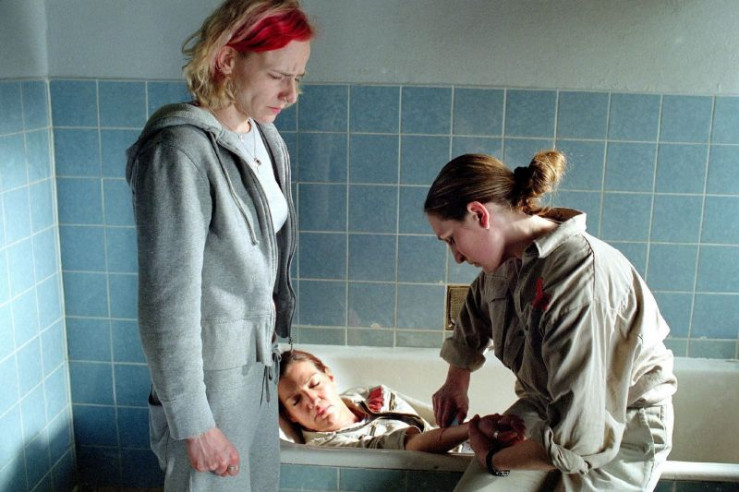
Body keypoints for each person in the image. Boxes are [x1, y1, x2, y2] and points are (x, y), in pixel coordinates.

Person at [125, 1, 313, 490]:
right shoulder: (179, 152)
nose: (291, 94)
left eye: (298, 78)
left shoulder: (264, 137)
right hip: (211, 384)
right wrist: (194, 423)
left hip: (257, 369)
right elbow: (167, 300)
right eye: (279, 76)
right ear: (228, 59)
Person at [424, 151, 677, 491]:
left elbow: (581, 441)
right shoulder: (507, 262)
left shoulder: (577, 278)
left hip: (617, 427)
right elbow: (478, 308)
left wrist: (491, 458)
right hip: (546, 408)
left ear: (479, 214)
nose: (456, 256)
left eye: (452, 239)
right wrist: (457, 380)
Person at [277, 349, 478, 453]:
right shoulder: (326, 449)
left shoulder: (371, 394)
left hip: (468, 446)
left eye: (314, 384)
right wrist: (472, 429)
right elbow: (411, 444)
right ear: (290, 416)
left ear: (329, 376)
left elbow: (432, 418)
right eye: (296, 401)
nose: (313, 401)